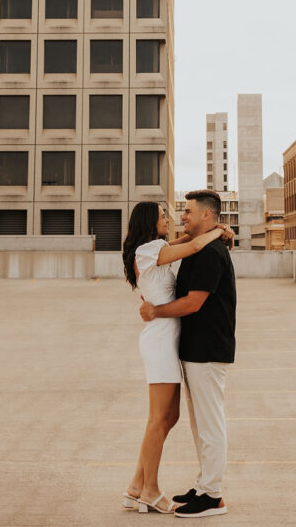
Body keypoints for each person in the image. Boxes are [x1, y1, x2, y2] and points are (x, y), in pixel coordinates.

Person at [122, 201, 233, 514]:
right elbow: (195, 243)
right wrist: (218, 231)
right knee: (159, 419)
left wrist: (221, 229)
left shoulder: (155, 246)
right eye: (161, 216)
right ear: (148, 222)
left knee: (169, 418)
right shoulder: (147, 251)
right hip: (159, 338)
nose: (169, 219)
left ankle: (135, 486)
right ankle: (151, 491)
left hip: (167, 339)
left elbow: (185, 241)